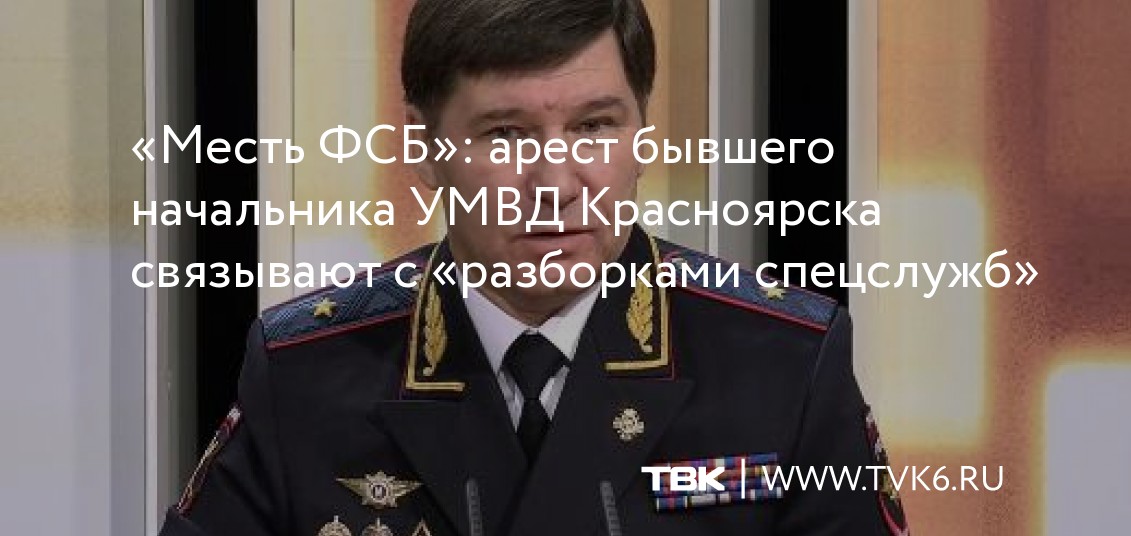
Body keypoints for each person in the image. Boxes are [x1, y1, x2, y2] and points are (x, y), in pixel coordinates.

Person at [158, 0, 907, 534]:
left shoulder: (784, 365)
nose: (556, 183)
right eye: (506, 134)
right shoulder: (306, 373)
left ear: (642, 138)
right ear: (423, 150)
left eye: (594, 126)